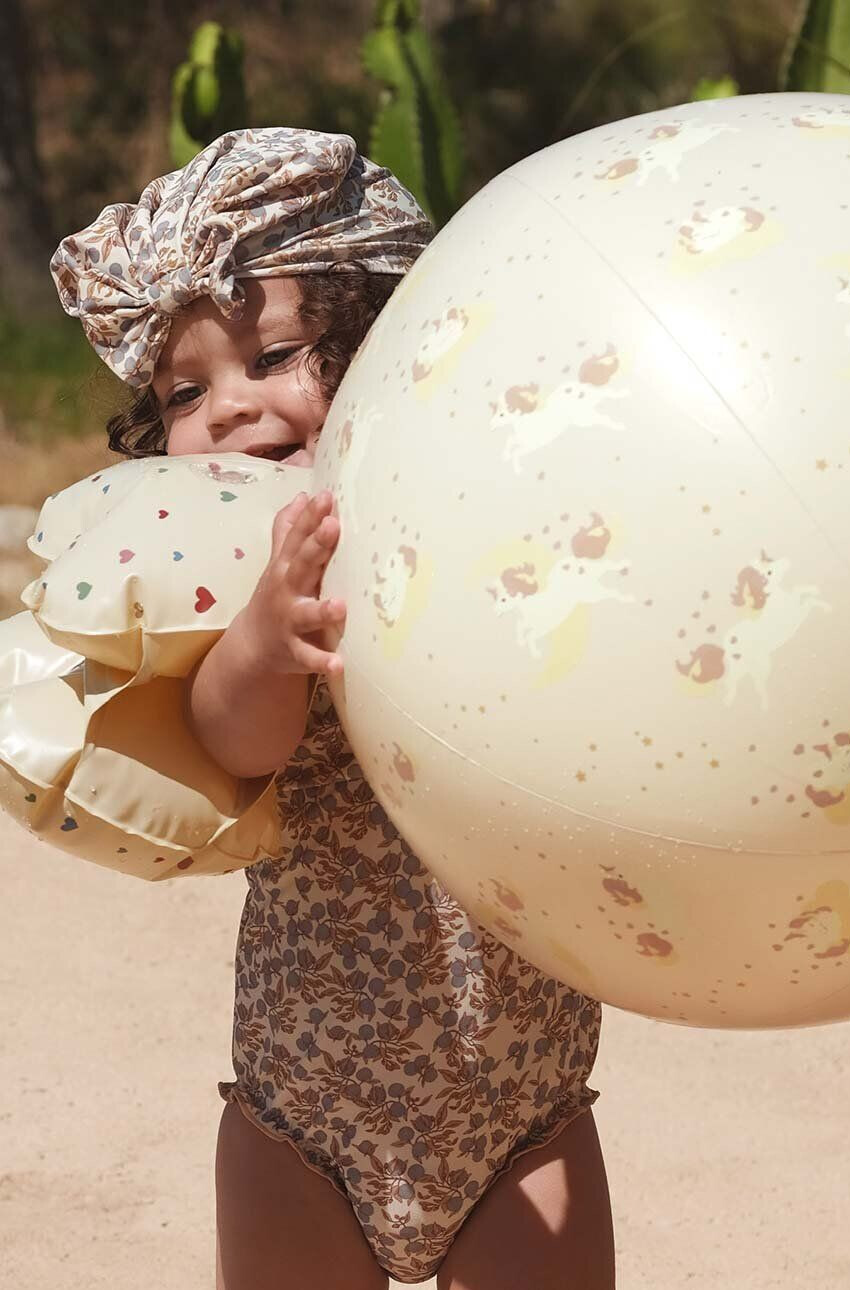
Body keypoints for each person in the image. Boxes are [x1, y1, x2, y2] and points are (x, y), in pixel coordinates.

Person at [50, 127, 615, 1290]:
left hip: (524, 1112)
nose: (231, 410)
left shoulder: (478, 537)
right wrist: (265, 641)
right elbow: (229, 741)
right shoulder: (234, 595)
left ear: (384, 343)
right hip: (300, 1121)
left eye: (278, 356)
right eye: (186, 390)